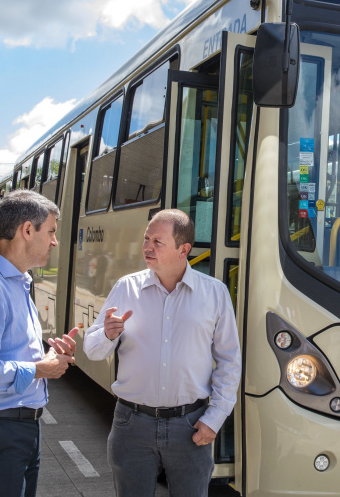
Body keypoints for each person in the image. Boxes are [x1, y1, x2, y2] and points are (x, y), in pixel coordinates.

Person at [83, 209, 241, 496]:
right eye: (146, 239)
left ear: (184, 249)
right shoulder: (126, 288)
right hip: (132, 425)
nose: (147, 247)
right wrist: (107, 334)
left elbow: (230, 361)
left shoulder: (215, 294)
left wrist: (215, 417)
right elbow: (92, 350)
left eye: (158, 241)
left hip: (191, 426)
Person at [0, 189, 79, 497]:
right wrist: (39, 369)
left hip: (14, 430)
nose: (54, 241)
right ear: (27, 230)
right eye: (51, 232)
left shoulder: (16, 283)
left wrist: (49, 357)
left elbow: (9, 353)